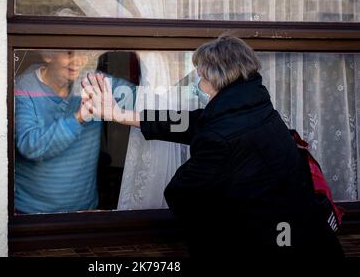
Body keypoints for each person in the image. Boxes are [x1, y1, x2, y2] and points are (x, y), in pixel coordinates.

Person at [82, 36, 344, 259]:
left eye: (202, 75)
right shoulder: (255, 106)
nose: (198, 82)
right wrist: (119, 114)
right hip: (311, 239)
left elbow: (182, 194)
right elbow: (192, 122)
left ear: (219, 78)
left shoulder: (222, 137)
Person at [14, 50, 135, 214]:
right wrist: (79, 118)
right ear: (48, 55)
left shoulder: (92, 82)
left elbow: (141, 98)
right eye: (69, 53)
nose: (78, 61)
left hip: (84, 210)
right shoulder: (23, 87)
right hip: (32, 213)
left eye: (84, 54)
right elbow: (31, 147)